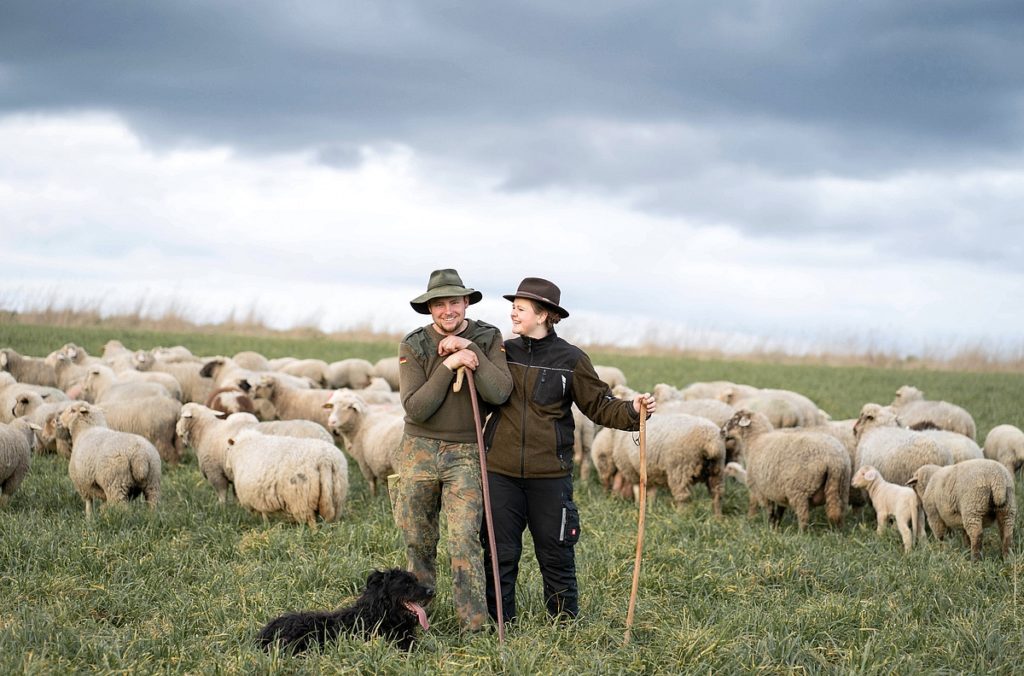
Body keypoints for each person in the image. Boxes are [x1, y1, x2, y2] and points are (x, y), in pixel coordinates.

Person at [481, 277, 656, 623]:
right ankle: (498, 623)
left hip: (550, 475)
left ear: (543, 314)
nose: (512, 313)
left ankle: (564, 624)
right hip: (499, 473)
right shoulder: (502, 353)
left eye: (521, 308)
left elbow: (600, 405)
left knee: (557, 553)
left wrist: (634, 411)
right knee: (498, 554)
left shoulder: (571, 359)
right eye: (513, 307)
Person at [394, 268, 512, 632]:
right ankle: (414, 619)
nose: (448, 311)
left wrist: (469, 349)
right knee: (418, 538)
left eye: (455, 302)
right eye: (440, 304)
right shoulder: (413, 345)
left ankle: (473, 625)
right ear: (430, 309)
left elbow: (500, 392)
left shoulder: (488, 337)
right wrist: (449, 364)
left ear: (466, 302)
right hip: (419, 449)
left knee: (464, 539)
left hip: (466, 451)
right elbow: (417, 407)